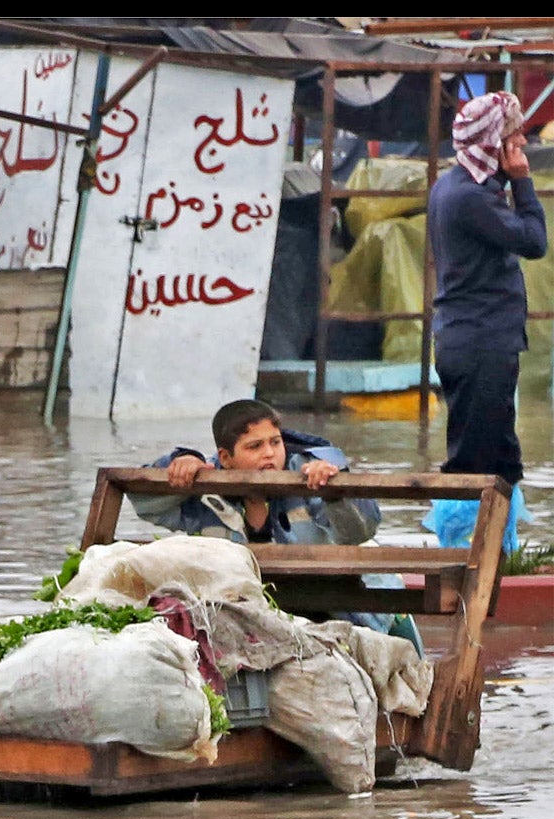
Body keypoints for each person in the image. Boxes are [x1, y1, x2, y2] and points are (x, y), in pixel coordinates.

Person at [429, 89, 546, 493]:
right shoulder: (470, 196)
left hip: (479, 337)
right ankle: (466, 552)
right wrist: (523, 182)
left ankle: (501, 552)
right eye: (515, 137)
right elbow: (534, 241)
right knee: (474, 462)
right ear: (494, 143)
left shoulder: (455, 186)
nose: (523, 145)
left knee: (502, 457)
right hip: (479, 339)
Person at [137, 398, 380, 546]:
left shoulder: (312, 472)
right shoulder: (206, 483)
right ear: (225, 458)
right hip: (234, 605)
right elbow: (146, 506)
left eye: (275, 442)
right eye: (255, 446)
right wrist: (179, 463)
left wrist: (334, 492)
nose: (269, 454)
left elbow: (359, 534)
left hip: (328, 602)